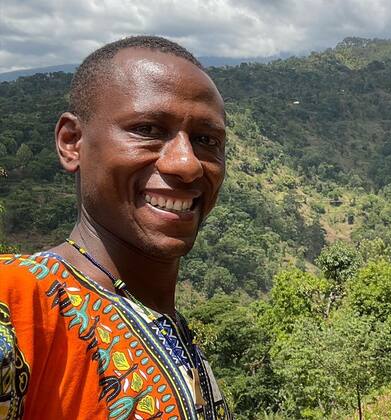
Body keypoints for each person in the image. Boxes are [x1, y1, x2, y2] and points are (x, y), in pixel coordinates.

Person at [0, 36, 231, 419]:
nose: (187, 164)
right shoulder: (18, 301)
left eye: (206, 140)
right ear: (72, 142)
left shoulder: (173, 331)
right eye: (148, 129)